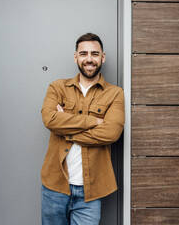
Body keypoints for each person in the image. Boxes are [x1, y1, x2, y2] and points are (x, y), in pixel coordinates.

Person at [40, 32, 125, 225]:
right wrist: (94, 121)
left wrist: (65, 128)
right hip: (55, 186)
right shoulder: (57, 87)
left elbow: (111, 133)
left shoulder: (115, 94)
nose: (89, 59)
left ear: (102, 58)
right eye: (84, 53)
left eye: (95, 54)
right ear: (76, 57)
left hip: (91, 190)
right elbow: (50, 119)